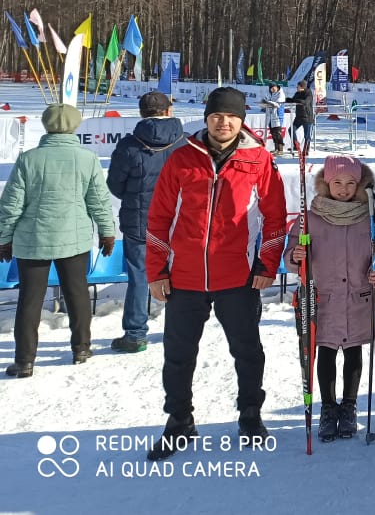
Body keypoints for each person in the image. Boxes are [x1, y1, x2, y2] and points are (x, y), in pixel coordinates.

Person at [145, 87, 288, 460]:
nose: (223, 123)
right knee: (178, 355)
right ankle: (178, 421)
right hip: (185, 277)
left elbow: (275, 218)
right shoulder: (181, 160)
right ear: (207, 118)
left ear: (241, 121)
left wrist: (267, 264)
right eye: (216, 116)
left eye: (230, 117)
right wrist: (157, 270)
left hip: (237, 276)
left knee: (247, 351)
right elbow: (159, 218)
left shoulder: (258, 160)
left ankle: (251, 414)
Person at [0, 104, 117, 377]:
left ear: (45, 124)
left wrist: (4, 239)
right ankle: (82, 348)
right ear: (75, 126)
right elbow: (99, 200)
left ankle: (25, 360)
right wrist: (107, 231)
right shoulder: (87, 158)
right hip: (73, 239)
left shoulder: (29, 159)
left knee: (29, 300)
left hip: (33, 241)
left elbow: (11, 205)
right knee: (77, 294)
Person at [285, 155, 375, 442]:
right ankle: (328, 408)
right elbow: (292, 251)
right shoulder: (312, 216)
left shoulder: (369, 217)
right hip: (323, 298)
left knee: (354, 353)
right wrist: (295, 257)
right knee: (325, 353)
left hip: (357, 296)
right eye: (337, 182)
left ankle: (349, 406)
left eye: (350, 183)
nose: (343, 189)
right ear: (326, 184)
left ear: (359, 185)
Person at [106, 91, 185, 353]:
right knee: (179, 275)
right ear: (168, 111)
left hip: (140, 220)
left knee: (140, 277)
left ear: (141, 113)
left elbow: (115, 185)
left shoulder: (129, 145)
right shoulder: (185, 144)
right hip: (179, 221)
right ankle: (177, 330)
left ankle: (135, 334)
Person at [287, 80, 316, 153]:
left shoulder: (308, 93)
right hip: (299, 117)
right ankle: (296, 145)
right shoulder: (297, 93)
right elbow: (293, 100)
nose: (297, 87)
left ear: (302, 87)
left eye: (298, 86)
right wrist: (286, 100)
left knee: (307, 136)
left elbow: (305, 102)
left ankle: (306, 150)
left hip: (307, 117)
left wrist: (296, 100)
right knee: (291, 130)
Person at [262, 82, 286, 155]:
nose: (273, 89)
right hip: (270, 116)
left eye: (273, 88)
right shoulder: (270, 93)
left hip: (278, 116)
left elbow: (277, 104)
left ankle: (280, 149)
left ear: (276, 87)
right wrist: (264, 102)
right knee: (273, 133)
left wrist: (269, 102)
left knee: (278, 133)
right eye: (271, 88)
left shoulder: (281, 94)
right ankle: (276, 148)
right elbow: (266, 99)